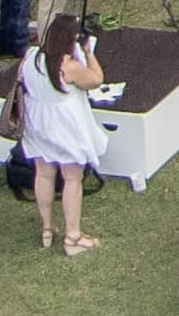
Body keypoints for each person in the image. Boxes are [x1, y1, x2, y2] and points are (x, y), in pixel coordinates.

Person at [22, 28, 113, 256]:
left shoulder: (31, 57)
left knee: (43, 173)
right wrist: (89, 53)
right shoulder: (68, 66)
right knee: (72, 178)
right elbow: (96, 79)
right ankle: (73, 236)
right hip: (64, 127)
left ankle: (47, 228)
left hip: (38, 124)